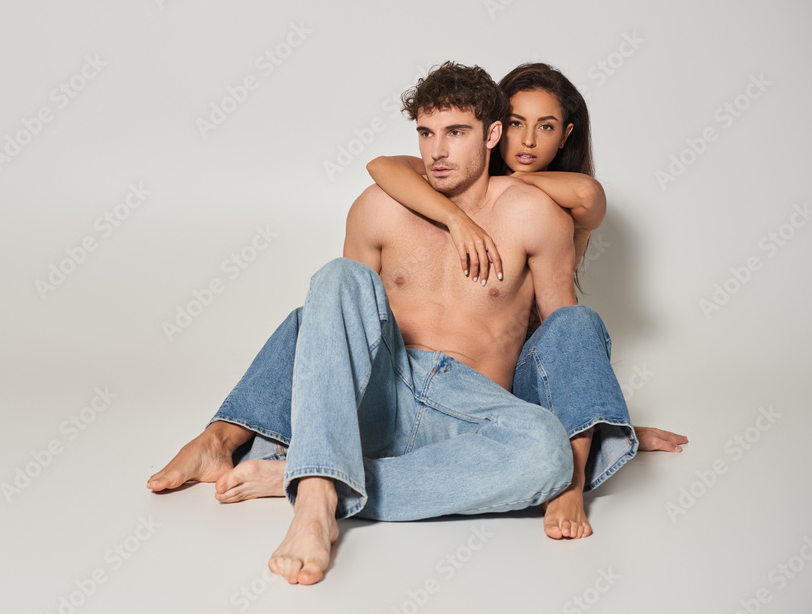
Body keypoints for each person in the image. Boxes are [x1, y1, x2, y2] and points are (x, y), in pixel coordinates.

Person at [149, 62, 670, 584]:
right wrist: (453, 218)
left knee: (544, 452)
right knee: (334, 284)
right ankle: (313, 500)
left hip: (470, 407)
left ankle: (308, 470)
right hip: (384, 391)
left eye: (456, 133)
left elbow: (561, 338)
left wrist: (595, 415)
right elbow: (338, 332)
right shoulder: (378, 207)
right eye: (426, 133)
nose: (438, 151)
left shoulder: (535, 215)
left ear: (491, 135)